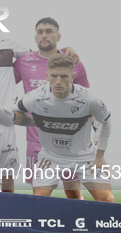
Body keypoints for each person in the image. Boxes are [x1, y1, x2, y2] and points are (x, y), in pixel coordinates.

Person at [0, 3, 79, 192]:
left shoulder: (10, 46)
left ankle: (4, 220)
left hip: (3, 122)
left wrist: (67, 48)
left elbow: (42, 55)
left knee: (6, 181)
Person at [14, 54, 114, 202]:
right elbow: (15, 112)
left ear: (72, 76)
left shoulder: (89, 99)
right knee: (38, 201)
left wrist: (100, 156)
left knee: (107, 200)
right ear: (47, 76)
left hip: (84, 156)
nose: (58, 81)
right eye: (54, 76)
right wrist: (35, 121)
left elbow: (107, 121)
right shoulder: (34, 97)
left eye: (64, 76)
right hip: (50, 156)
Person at [14, 17, 89, 199]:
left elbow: (85, 101)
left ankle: (76, 226)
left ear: (58, 36)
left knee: (72, 191)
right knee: (39, 195)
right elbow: (3, 82)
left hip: (68, 139)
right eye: (40, 32)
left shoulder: (73, 62)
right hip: (36, 139)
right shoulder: (23, 62)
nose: (44, 35)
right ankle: (40, 227)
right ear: (35, 37)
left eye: (49, 31)